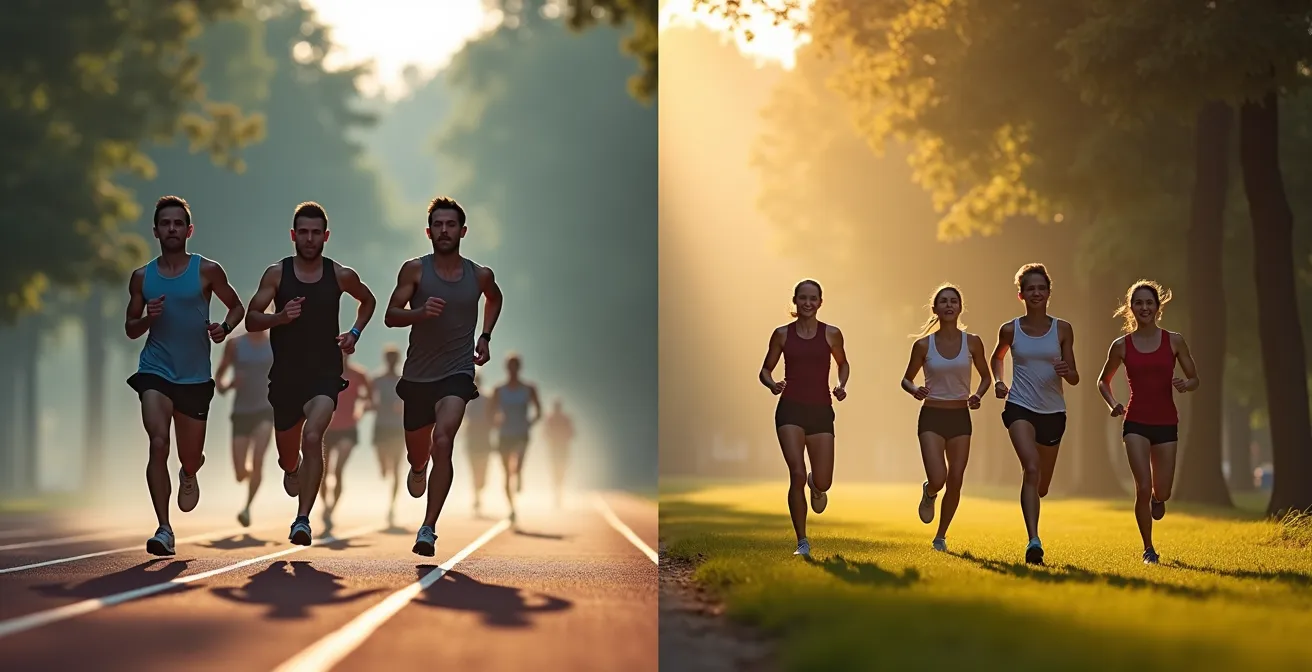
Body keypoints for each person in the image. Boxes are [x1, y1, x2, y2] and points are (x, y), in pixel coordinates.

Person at [244, 201, 376, 546]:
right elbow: (251, 318)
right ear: (293, 235)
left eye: (316, 233)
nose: (309, 238)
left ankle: (302, 520)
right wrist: (279, 318)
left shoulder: (339, 274)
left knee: (314, 436)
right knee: (289, 456)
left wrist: (355, 333)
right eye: (303, 232)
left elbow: (369, 300)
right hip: (286, 378)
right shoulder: (276, 274)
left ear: (326, 236)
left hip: (325, 374)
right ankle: (291, 469)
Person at [124, 195, 245, 556]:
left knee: (188, 456)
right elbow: (131, 328)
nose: (172, 229)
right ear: (156, 230)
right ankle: (163, 527)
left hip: (194, 378)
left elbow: (237, 306)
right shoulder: (142, 277)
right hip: (155, 371)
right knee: (158, 442)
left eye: (178, 223)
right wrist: (149, 318)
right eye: (165, 223)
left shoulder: (207, 270)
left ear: (188, 230)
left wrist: (224, 327)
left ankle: (190, 472)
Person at [383, 196, 503, 557]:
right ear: (428, 231)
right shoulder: (415, 271)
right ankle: (418, 468)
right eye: (438, 225)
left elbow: (494, 299)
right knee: (419, 454)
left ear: (462, 231)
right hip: (419, 375)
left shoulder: (480, 275)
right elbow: (390, 315)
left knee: (444, 440)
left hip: (457, 372)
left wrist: (485, 336)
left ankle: (428, 527)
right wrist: (419, 313)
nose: (444, 231)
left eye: (451, 225)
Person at [1096, 280, 1199, 564]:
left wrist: (1185, 384)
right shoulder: (1121, 346)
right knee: (1142, 485)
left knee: (1161, 490)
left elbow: (1195, 378)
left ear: (1157, 307)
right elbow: (1102, 382)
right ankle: (1148, 548)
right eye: (1139, 303)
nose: (1144, 307)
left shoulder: (1174, 340)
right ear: (1131, 308)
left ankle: (1158, 498)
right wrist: (1113, 403)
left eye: (1149, 303)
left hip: (1166, 423)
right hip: (1136, 422)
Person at [990, 263, 1079, 565]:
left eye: (1042, 288)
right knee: (1030, 467)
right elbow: (997, 357)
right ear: (1021, 295)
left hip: (1053, 412)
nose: (1037, 293)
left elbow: (1075, 376)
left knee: (1041, 485)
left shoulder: (1063, 329)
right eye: (1031, 289)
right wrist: (1000, 381)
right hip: (1019, 406)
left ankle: (1035, 504)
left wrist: (1067, 371)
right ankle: (1033, 541)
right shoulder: (1010, 329)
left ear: (1049, 293)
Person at [758, 279, 850, 558]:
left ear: (820, 302)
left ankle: (816, 486)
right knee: (796, 473)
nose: (808, 303)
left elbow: (843, 363)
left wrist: (841, 385)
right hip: (790, 410)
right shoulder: (782, 334)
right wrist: (772, 383)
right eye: (803, 298)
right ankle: (802, 541)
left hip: (821, 410)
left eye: (813, 298)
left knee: (823, 481)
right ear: (795, 302)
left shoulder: (832, 334)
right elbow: (764, 369)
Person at [899, 284, 992, 552]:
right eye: (944, 302)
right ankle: (930, 491)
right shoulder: (923, 345)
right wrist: (915, 389)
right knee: (939, 477)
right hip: (932, 415)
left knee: (956, 478)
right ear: (935, 309)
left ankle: (940, 536)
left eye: (954, 301)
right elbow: (906, 379)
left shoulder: (972, 342)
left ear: (960, 307)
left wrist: (978, 395)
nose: (949, 305)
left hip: (960, 416)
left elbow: (986, 377)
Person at [214, 327, 275, 528]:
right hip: (241, 411)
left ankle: (247, 507)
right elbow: (220, 379)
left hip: (266, 409)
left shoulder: (274, 342)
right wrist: (228, 385)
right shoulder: (235, 344)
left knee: (258, 459)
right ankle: (250, 476)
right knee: (240, 473)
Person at [319, 352, 372, 530]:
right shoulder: (324, 372)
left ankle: (331, 509)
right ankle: (325, 506)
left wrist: (361, 410)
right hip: (327, 427)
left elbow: (370, 398)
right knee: (323, 472)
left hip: (348, 428)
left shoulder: (359, 374)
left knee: (338, 469)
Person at [490, 354, 542, 523]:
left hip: (521, 433)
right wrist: (495, 423)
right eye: (510, 367)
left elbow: (539, 411)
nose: (512, 370)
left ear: (519, 368)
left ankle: (519, 472)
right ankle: (511, 508)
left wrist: (530, 423)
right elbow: (489, 411)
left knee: (517, 464)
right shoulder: (499, 390)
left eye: (515, 367)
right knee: (506, 474)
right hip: (505, 434)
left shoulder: (529, 388)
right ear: (507, 368)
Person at [372, 345, 406, 528]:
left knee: (396, 468)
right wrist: (372, 405)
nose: (391, 362)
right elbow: (370, 398)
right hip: (381, 426)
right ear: (386, 360)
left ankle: (392, 505)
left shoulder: (403, 380)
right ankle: (382, 465)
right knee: (383, 463)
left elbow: (411, 400)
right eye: (389, 358)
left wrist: (404, 407)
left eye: (394, 358)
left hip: (397, 428)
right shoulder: (376, 380)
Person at [463, 372, 494, 517]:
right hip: (472, 437)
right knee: (474, 467)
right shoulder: (465, 399)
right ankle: (476, 496)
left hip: (484, 437)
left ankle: (480, 487)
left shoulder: (487, 399)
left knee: (483, 467)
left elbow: (493, 416)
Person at [544, 398, 576, 509]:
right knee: (556, 470)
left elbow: (572, 433)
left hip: (561, 449)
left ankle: (559, 491)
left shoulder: (564, 419)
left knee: (560, 470)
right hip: (556, 449)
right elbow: (545, 433)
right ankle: (557, 491)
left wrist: (563, 438)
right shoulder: (551, 418)